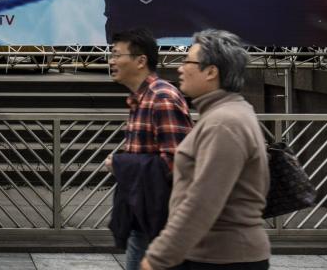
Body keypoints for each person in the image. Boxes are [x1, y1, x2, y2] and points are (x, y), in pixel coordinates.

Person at [141, 30, 270, 270]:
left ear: (211, 72)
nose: (180, 68)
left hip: (223, 259)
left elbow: (202, 202)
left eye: (188, 61)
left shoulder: (224, 123)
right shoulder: (227, 114)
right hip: (212, 255)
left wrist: (158, 258)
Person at [106, 28, 193, 270]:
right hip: (142, 215)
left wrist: (120, 164)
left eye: (116, 55)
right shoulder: (141, 98)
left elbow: (179, 162)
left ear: (141, 60)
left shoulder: (162, 97)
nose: (111, 61)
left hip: (159, 221)